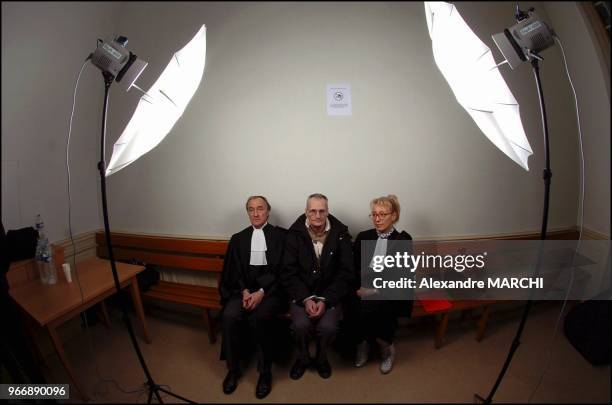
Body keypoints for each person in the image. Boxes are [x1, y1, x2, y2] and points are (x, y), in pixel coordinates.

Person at [219, 196, 287, 399]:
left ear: (268, 211)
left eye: (260, 209)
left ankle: (265, 372)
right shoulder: (238, 238)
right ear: (247, 212)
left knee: (260, 317)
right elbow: (233, 272)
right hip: (244, 292)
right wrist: (244, 291)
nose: (256, 213)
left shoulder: (280, 237)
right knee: (229, 315)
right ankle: (233, 369)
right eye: (251, 209)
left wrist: (261, 292)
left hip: (271, 292)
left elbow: (282, 270)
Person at [281, 193, 354, 380]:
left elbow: (346, 273)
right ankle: (303, 358)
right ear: (306, 212)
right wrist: (305, 299)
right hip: (301, 294)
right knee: (300, 326)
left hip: (330, 294)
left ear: (328, 212)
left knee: (328, 327)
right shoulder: (294, 234)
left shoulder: (341, 235)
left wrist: (325, 299)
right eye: (312, 211)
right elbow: (288, 272)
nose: (318, 215)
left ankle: (322, 359)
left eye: (322, 211)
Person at [350, 194, 413, 374]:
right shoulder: (363, 236)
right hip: (363, 288)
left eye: (382, 214)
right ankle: (362, 344)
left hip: (390, 289)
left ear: (394, 215)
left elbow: (402, 275)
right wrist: (357, 289)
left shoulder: (404, 239)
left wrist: (373, 291)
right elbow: (353, 268)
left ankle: (386, 348)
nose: (377, 219)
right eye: (374, 214)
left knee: (380, 307)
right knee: (352, 303)